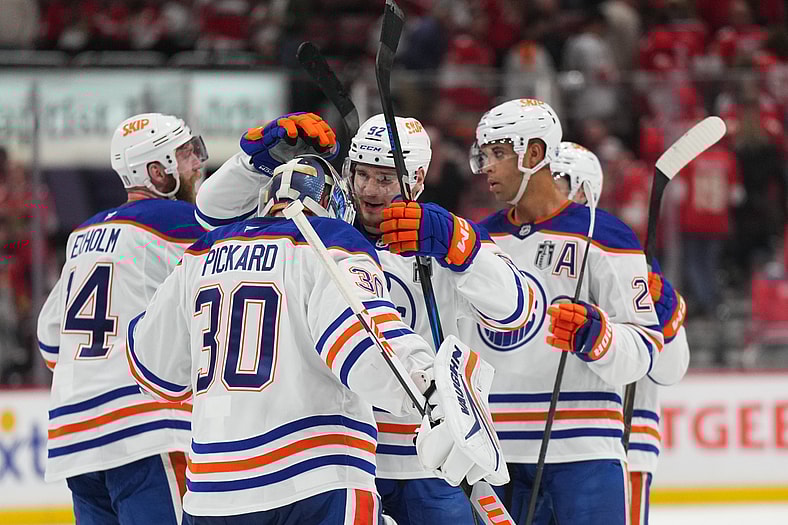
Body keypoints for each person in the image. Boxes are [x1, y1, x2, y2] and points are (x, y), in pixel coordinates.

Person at [126, 154, 505, 524]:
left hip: (212, 491)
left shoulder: (201, 253)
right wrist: (433, 392)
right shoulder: (327, 240)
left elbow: (153, 369)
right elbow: (363, 342)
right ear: (335, 203)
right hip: (315, 482)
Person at [195, 112, 532, 524]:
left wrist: (457, 244)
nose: (370, 190)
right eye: (361, 175)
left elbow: (518, 310)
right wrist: (254, 164)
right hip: (342, 459)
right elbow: (211, 218)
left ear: (417, 179)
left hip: (430, 461)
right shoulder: (316, 232)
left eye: (385, 178)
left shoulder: (442, 235)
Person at [455, 99, 664, 525]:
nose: (486, 167)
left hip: (585, 448)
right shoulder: (479, 242)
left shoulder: (606, 235)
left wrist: (598, 337)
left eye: (498, 153)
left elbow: (645, 347)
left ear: (534, 154)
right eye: (484, 154)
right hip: (496, 454)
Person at [36, 113, 208, 524]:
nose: (198, 162)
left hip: (75, 433)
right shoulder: (184, 224)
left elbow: (49, 339)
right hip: (143, 428)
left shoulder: (82, 235)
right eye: (186, 154)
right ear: (158, 171)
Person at [551, 141, 690, 525]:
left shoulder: (620, 253)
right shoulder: (524, 248)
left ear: (583, 189)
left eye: (557, 178)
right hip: (530, 442)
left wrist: (664, 316)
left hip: (616, 444)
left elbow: (670, 370)